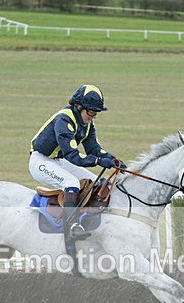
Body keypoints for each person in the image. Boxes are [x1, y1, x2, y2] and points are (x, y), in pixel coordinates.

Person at [29, 84, 124, 240]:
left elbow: (93, 148)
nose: (93, 116)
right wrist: (99, 161)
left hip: (58, 161)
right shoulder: (64, 119)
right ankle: (71, 226)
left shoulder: (86, 124)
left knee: (97, 183)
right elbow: (73, 156)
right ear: (79, 106)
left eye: (96, 113)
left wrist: (113, 159)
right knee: (71, 183)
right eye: (91, 112)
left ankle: (91, 220)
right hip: (40, 161)